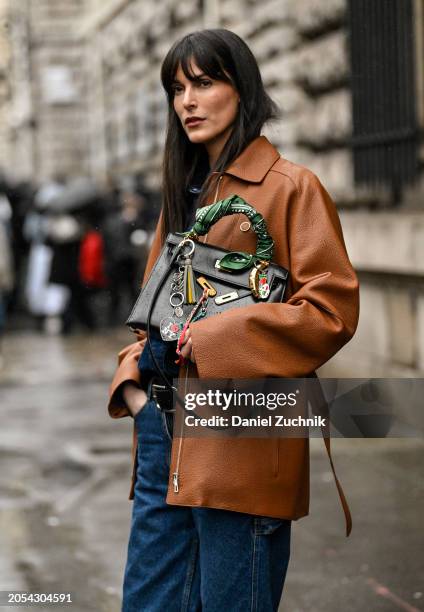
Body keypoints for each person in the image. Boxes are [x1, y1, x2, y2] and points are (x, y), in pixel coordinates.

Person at [108, 29, 360, 612]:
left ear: (241, 88)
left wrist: (217, 337)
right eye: (176, 88)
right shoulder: (183, 194)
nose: (187, 102)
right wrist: (134, 387)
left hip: (240, 436)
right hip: (162, 436)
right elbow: (151, 315)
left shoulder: (292, 188)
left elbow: (331, 312)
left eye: (203, 82)